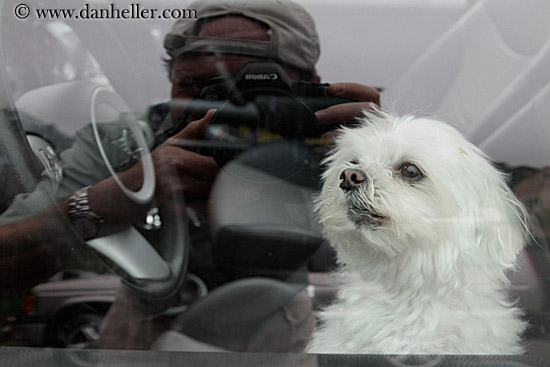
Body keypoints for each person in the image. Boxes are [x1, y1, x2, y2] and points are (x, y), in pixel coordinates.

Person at [0, 0, 379, 351]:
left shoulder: (337, 145)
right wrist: (124, 193)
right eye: (198, 88)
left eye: (252, 93)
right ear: (172, 80)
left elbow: (422, 263)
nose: (221, 115)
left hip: (274, 326)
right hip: (145, 322)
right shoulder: (125, 142)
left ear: (309, 87)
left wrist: (387, 158)